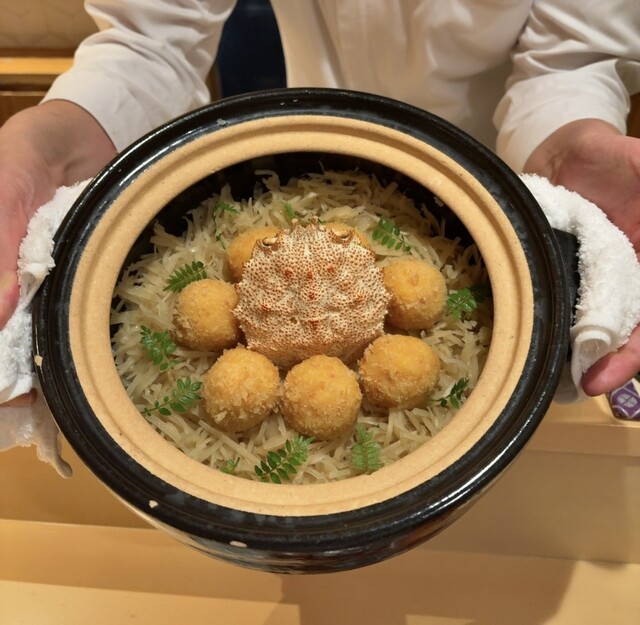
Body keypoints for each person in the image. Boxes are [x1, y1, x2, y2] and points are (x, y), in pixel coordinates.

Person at [0, 0, 638, 398]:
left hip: (488, 190)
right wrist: (52, 146)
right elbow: (150, 39)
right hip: (301, 151)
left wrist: (570, 149)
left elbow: (570, 59)